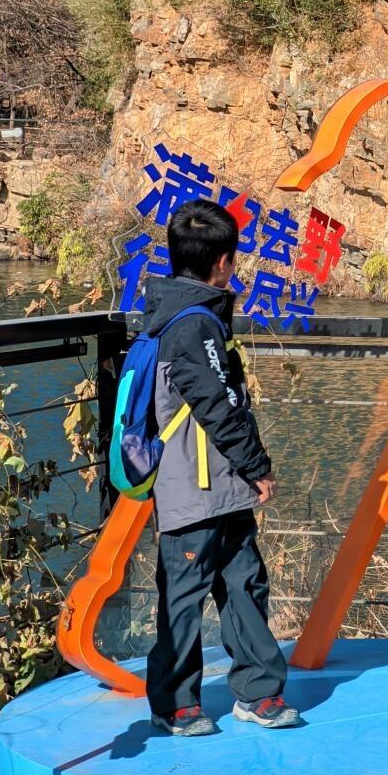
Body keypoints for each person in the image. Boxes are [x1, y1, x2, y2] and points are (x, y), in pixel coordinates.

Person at [144, 197, 299, 734]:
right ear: (223, 262)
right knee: (184, 596)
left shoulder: (188, 316)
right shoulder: (193, 327)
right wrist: (258, 465)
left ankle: (258, 691)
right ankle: (175, 703)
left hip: (221, 486)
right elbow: (219, 405)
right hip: (193, 487)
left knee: (244, 584)